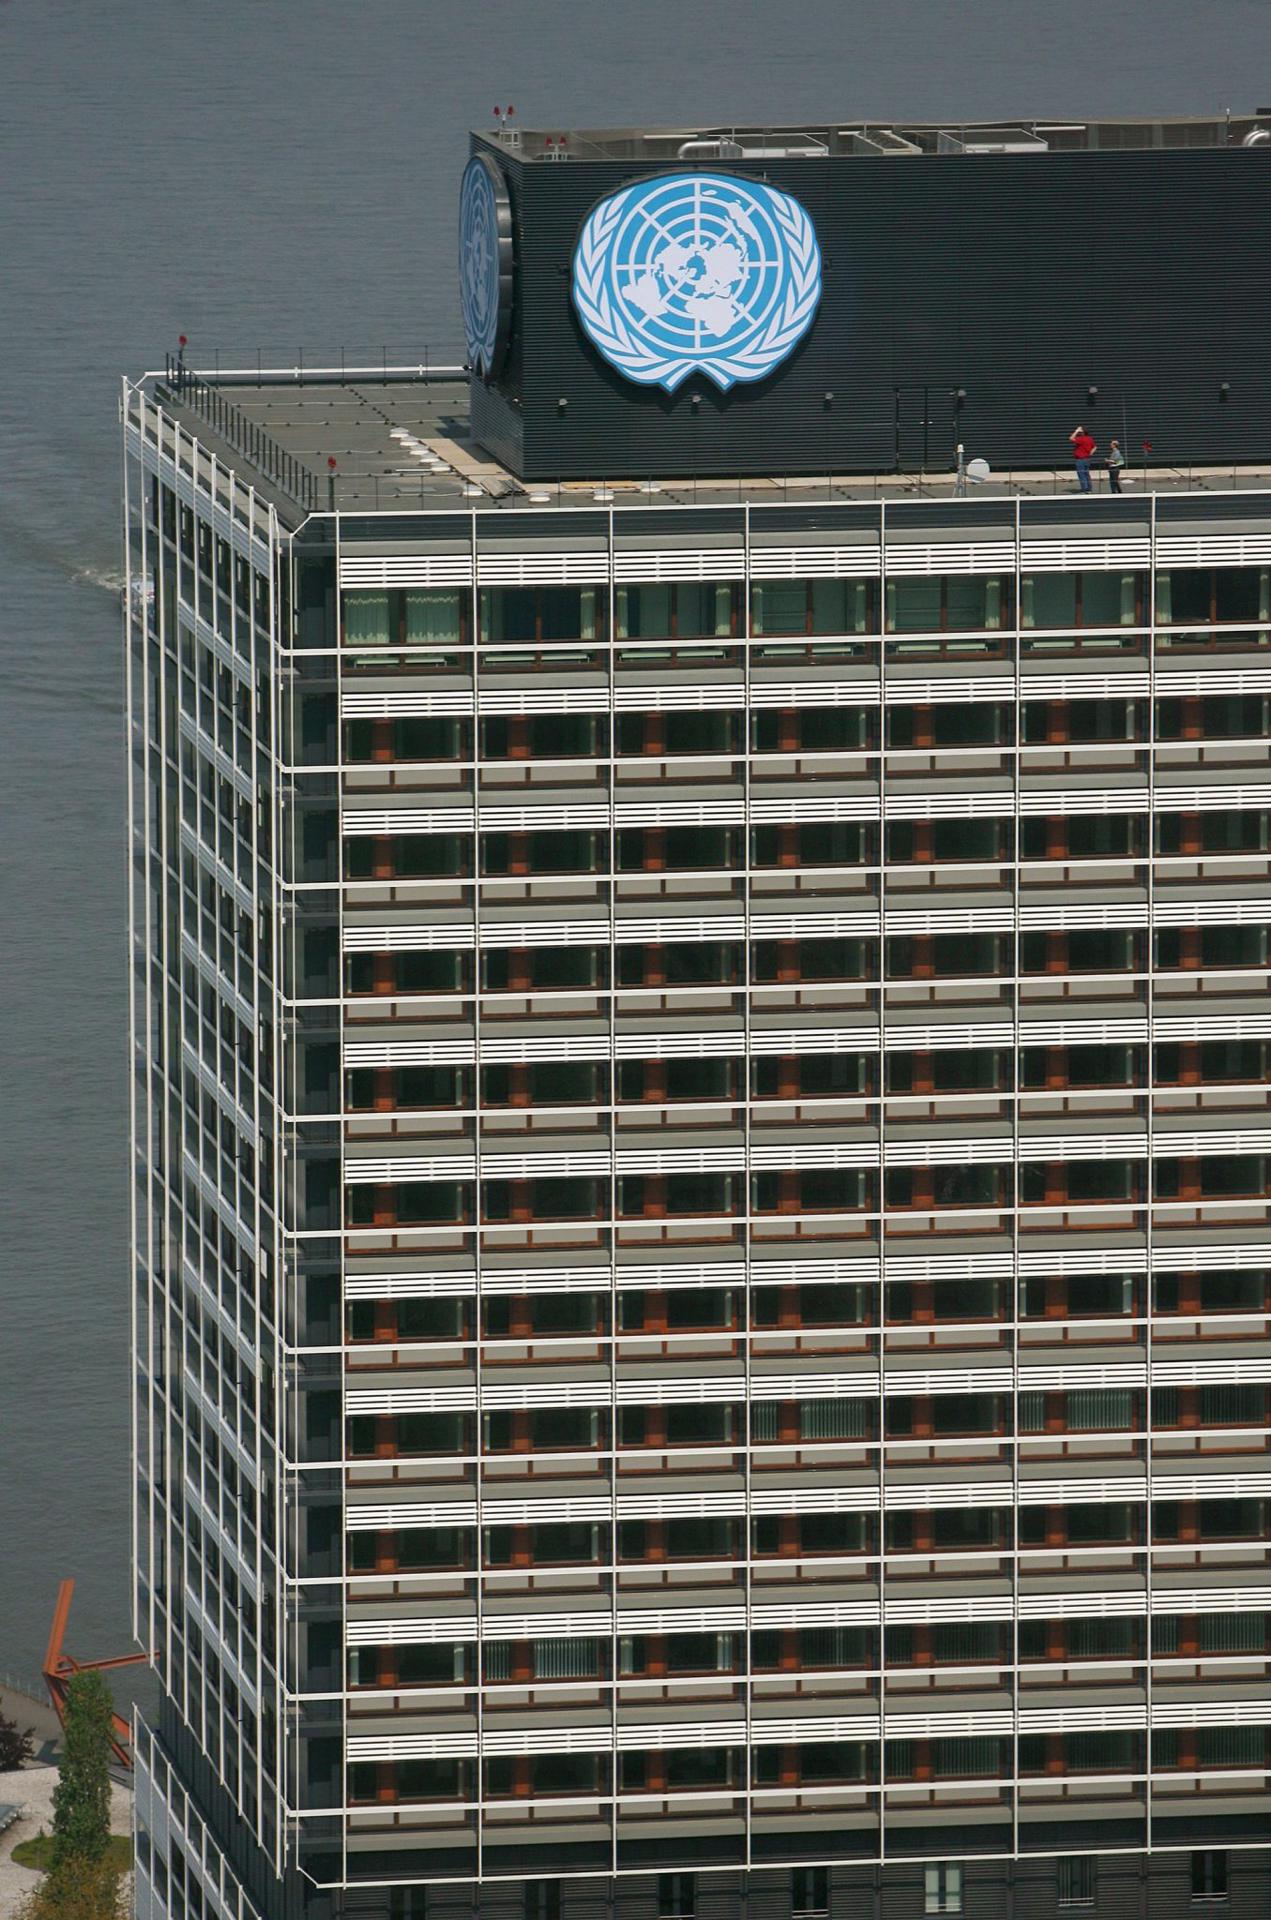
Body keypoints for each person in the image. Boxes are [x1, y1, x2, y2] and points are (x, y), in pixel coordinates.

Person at [1069, 424, 1097, 493]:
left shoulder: (1081, 439)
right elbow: (1095, 447)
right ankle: (1089, 488)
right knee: (1086, 474)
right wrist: (1090, 453)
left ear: (1083, 432)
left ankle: (1084, 489)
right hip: (1087, 459)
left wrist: (1076, 431)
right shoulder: (1090, 438)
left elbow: (1071, 438)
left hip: (1080, 459)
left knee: (1081, 474)